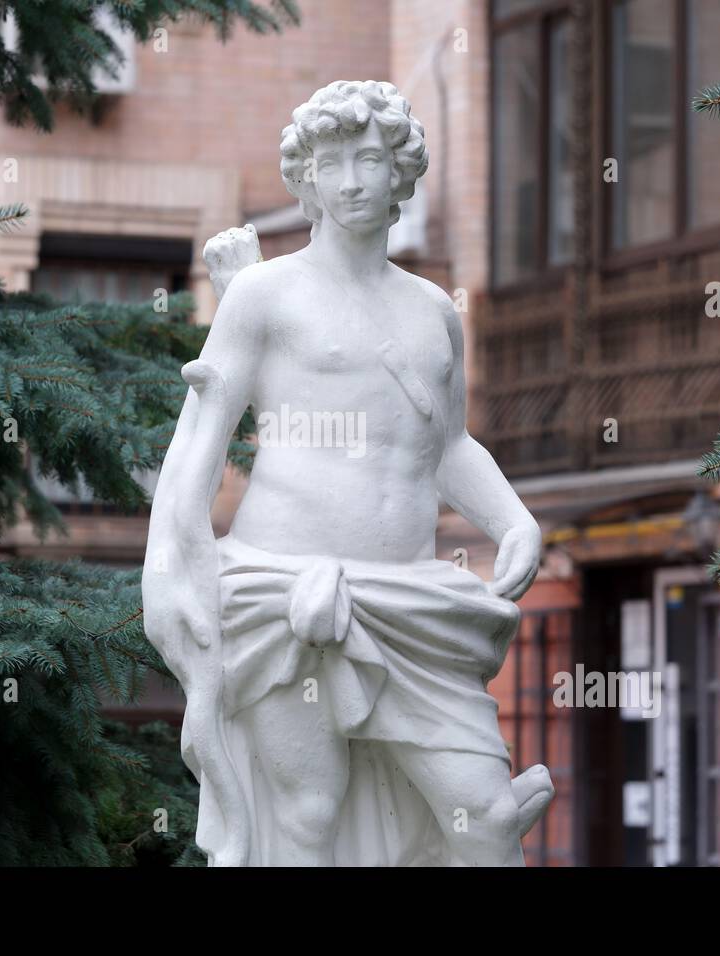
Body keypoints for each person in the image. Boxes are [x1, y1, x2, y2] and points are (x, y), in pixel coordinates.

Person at [143, 80, 553, 867]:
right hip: (283, 592)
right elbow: (200, 438)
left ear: (402, 173)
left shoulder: (434, 309)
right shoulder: (264, 295)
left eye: (371, 159)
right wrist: (169, 568)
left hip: (413, 601)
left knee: (488, 817)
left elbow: (450, 445)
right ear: (306, 179)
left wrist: (512, 520)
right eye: (332, 163)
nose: (354, 180)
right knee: (307, 813)